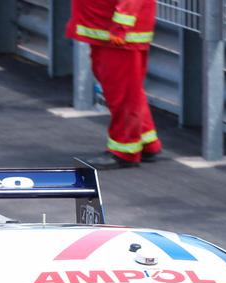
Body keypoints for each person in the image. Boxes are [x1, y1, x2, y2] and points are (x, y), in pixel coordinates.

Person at [68, 0, 161, 168]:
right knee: (127, 90)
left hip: (118, 34)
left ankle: (125, 151)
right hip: (105, 28)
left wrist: (121, 25)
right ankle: (146, 142)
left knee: (122, 94)